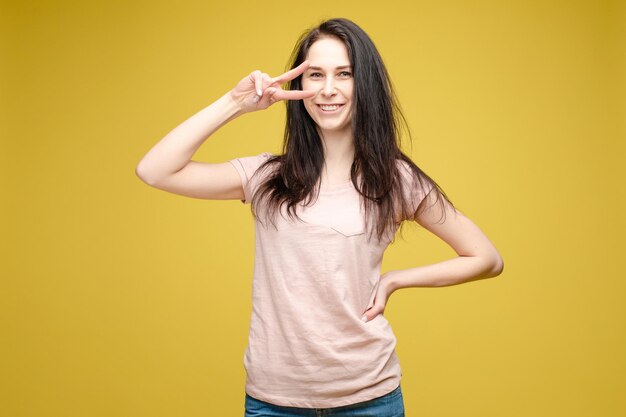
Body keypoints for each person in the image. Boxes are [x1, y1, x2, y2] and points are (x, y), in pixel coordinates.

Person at [136, 17, 503, 417]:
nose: (328, 89)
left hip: (370, 398)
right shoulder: (265, 177)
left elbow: (486, 258)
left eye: (344, 74)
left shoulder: (396, 179)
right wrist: (235, 104)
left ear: (365, 84)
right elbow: (155, 170)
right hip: (273, 402)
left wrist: (397, 280)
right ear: (298, 86)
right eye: (315, 75)